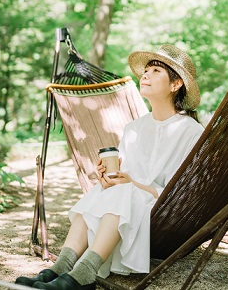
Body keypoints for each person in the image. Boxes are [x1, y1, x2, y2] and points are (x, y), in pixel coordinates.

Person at [16, 44, 204, 290]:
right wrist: (107, 177)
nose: (145, 75)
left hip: (162, 210)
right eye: (145, 71)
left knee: (122, 191)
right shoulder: (134, 128)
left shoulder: (191, 131)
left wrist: (130, 184)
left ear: (176, 84)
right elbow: (122, 177)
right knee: (103, 190)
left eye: (156, 71)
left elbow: (183, 193)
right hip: (125, 203)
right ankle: (62, 268)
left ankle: (84, 273)